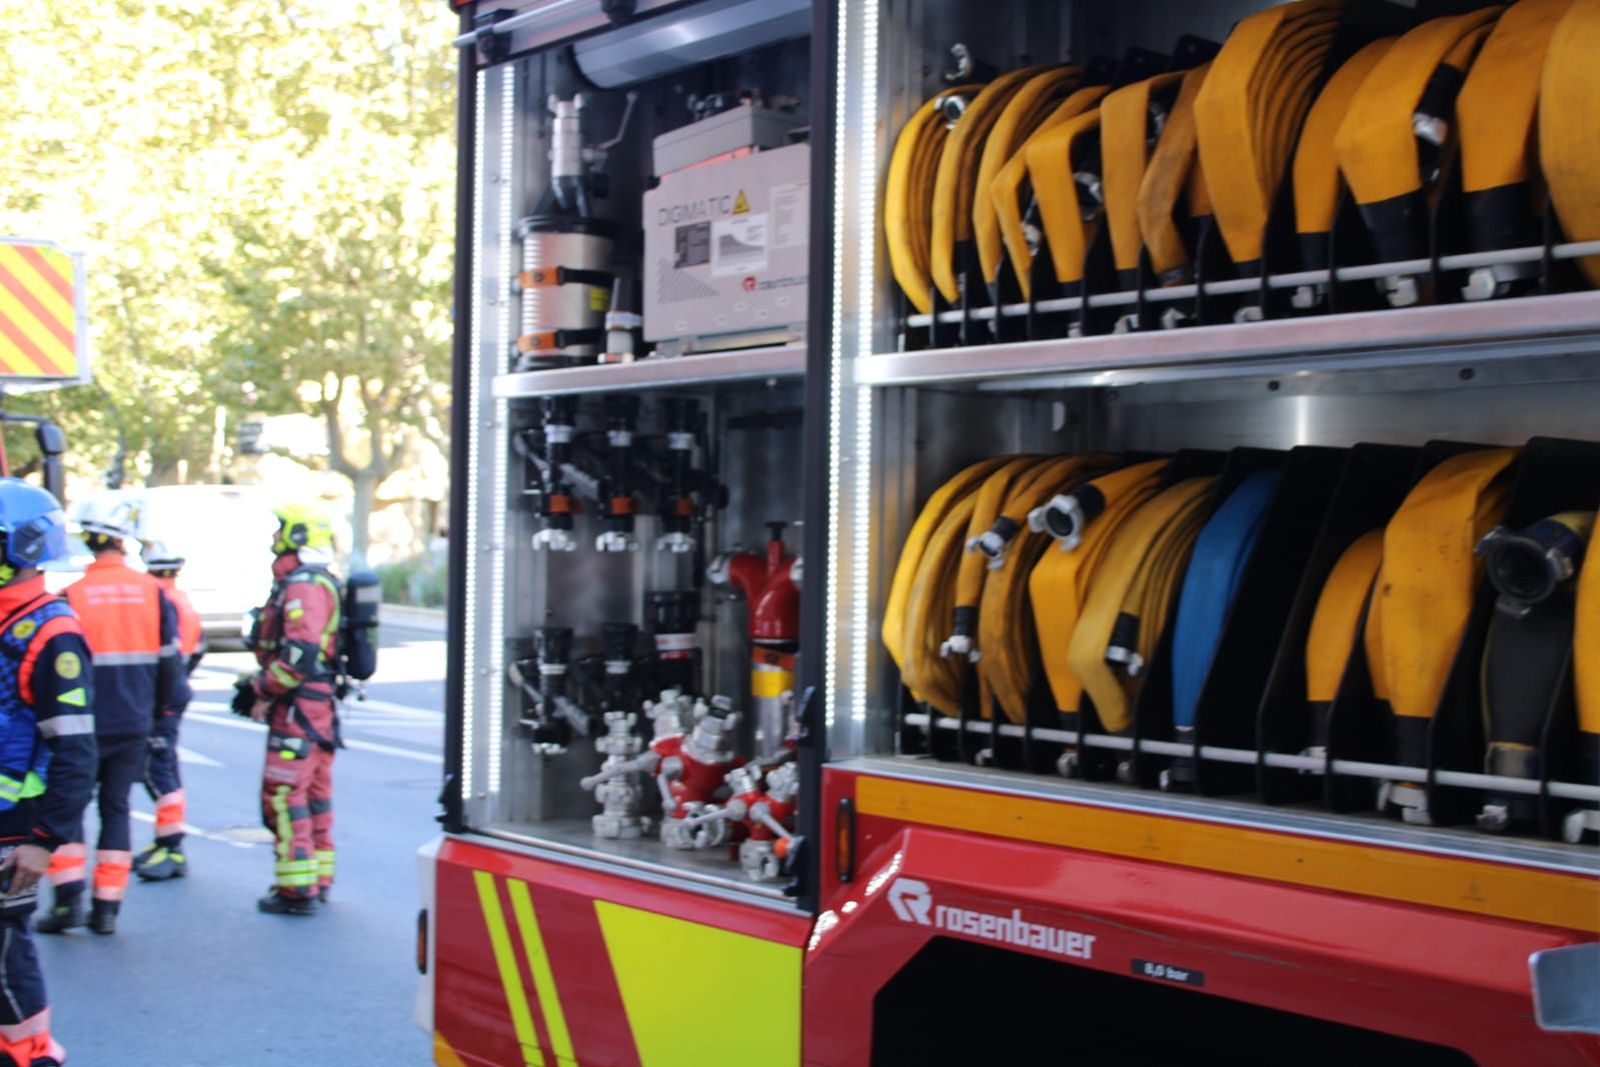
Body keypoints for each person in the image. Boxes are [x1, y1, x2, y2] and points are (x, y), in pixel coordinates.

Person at [37, 494, 187, 936]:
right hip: (134, 723)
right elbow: (170, 669)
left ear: (88, 538)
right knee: (116, 810)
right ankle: (107, 908)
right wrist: (159, 719)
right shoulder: (153, 594)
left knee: (70, 808)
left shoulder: (72, 595)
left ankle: (68, 903)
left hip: (82, 726)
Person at [0, 480, 96, 1066]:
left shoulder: (52, 632)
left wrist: (44, 843)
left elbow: (77, 753)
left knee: (6, 956)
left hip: (15, 830)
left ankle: (35, 1056)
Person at [248, 503, 342, 916]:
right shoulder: (313, 581)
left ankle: (295, 889)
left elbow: (300, 653)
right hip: (316, 708)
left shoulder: (303, 585)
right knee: (315, 793)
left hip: (299, 708)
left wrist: (262, 688)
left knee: (284, 794)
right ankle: (317, 876)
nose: (273, 540)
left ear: (298, 536)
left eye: (279, 531)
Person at [132, 541, 203, 881]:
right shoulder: (182, 600)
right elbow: (197, 648)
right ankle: (165, 840)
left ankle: (171, 846)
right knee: (163, 764)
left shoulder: (157, 601)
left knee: (158, 768)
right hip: (175, 693)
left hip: (161, 698)